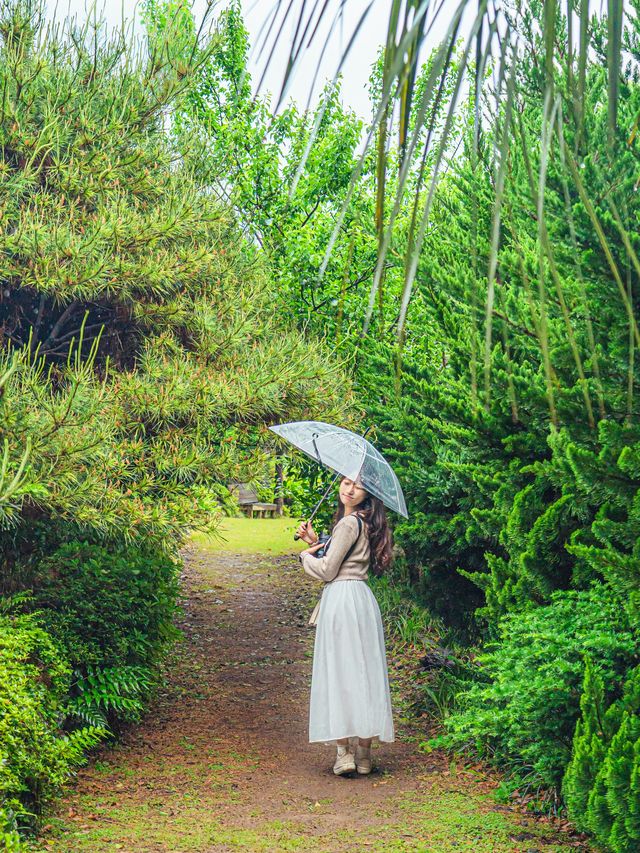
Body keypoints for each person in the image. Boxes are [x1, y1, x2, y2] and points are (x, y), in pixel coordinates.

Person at [296, 475, 395, 776]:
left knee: (339, 671)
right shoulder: (366, 522)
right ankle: (364, 754)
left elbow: (328, 571)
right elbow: (347, 557)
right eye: (345, 481)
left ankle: (344, 754)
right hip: (362, 600)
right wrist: (316, 543)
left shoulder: (348, 523)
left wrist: (304, 557)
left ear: (368, 493)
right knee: (364, 670)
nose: (349, 489)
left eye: (357, 485)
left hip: (341, 600)